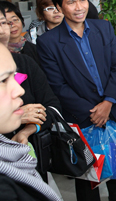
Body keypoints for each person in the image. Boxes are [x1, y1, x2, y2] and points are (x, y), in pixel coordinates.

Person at [36, 0, 116, 201]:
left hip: (114, 111)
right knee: (88, 176)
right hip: (82, 118)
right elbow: (58, 86)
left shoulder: (103, 27)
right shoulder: (49, 42)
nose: (79, 7)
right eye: (72, 2)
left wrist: (108, 103)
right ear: (59, 7)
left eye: (82, 0)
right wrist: (94, 112)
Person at [0, 43, 62, 201]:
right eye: (3, 80)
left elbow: (52, 106)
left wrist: (26, 130)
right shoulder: (7, 188)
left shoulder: (24, 62)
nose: (20, 90)